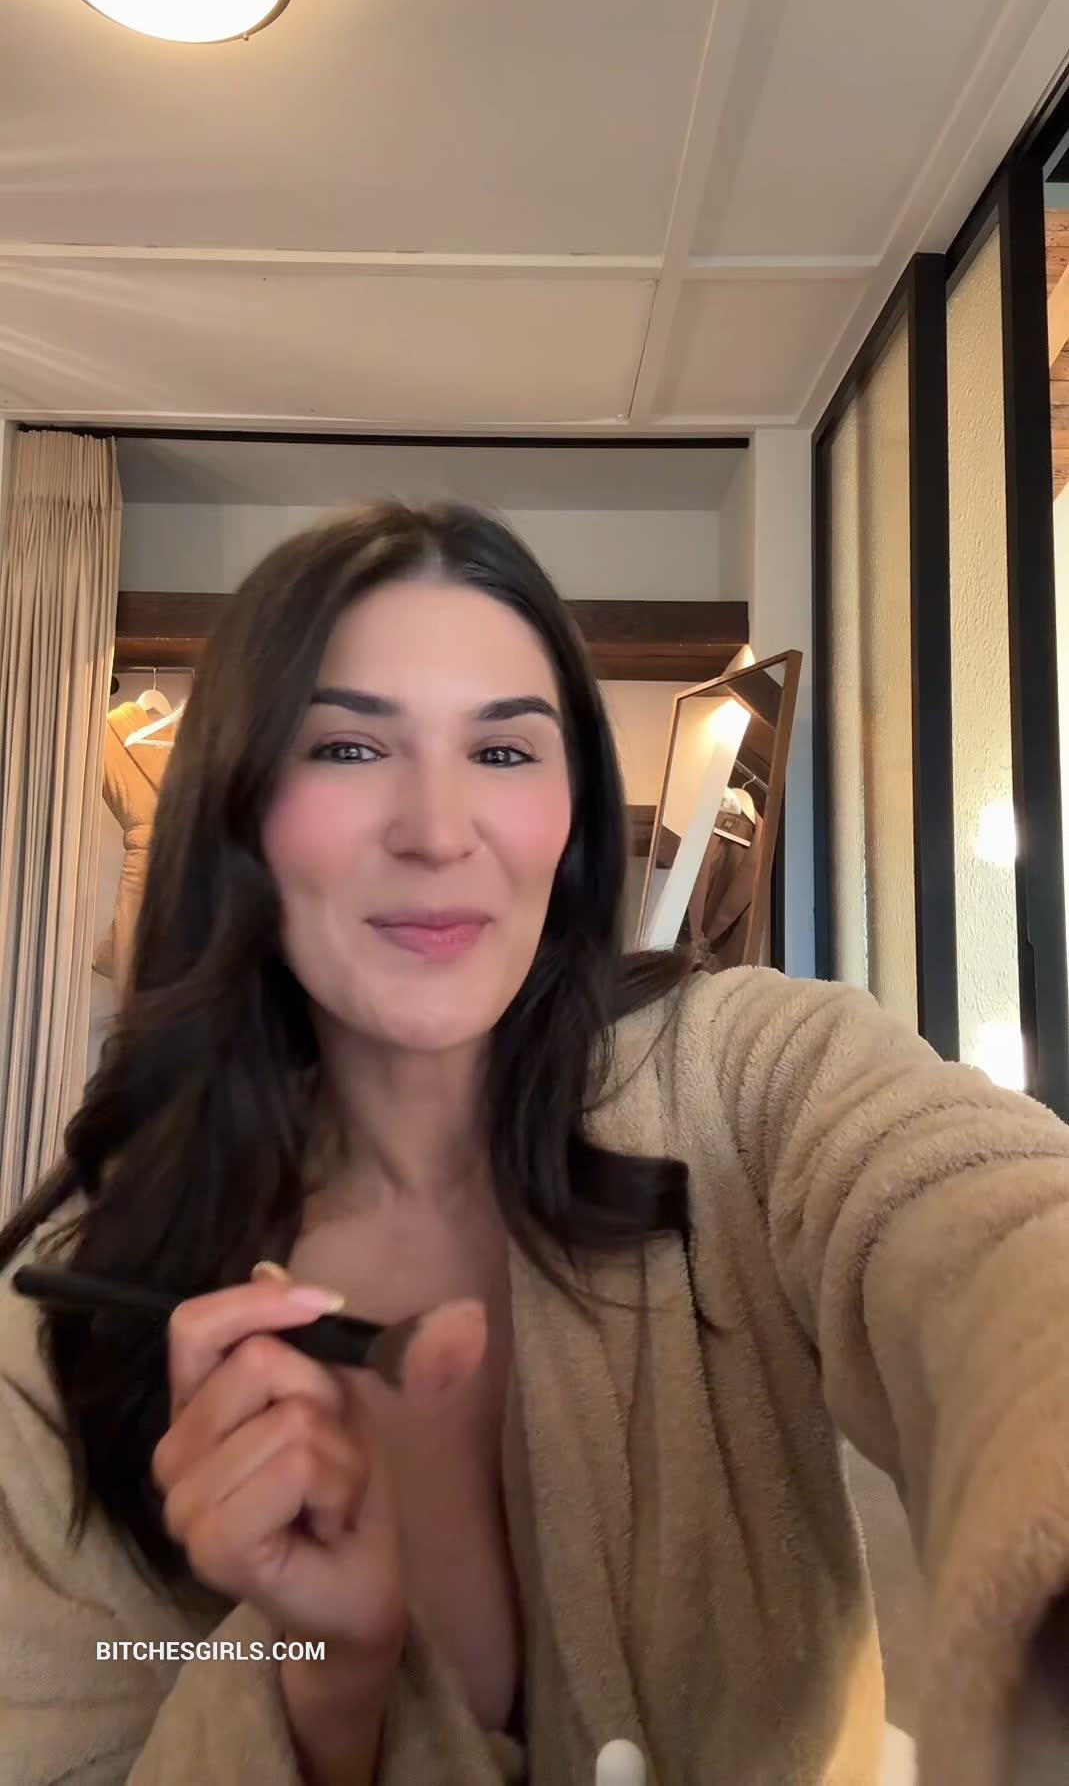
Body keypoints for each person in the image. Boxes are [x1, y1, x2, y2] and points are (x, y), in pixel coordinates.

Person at [1, 501, 1068, 1786]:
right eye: (347, 747)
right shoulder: (56, 1340)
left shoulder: (745, 1076)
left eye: (504, 752)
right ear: (241, 814)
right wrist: (319, 1690)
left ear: (571, 820)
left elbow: (1003, 1235)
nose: (437, 829)